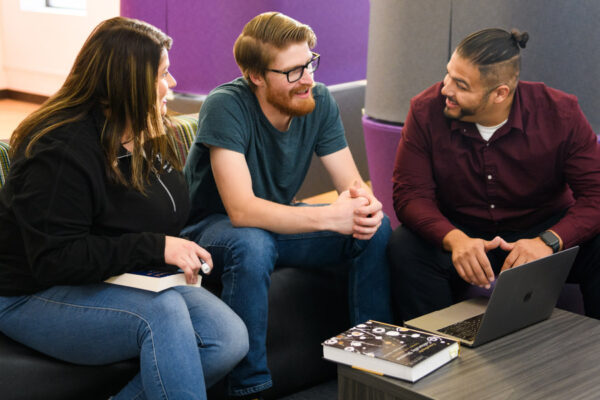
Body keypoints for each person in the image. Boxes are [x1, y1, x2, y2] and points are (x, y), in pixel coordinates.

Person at [0, 17, 248, 400]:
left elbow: (165, 211)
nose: (173, 83)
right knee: (162, 314)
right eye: (163, 74)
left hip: (111, 275)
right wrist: (155, 247)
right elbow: (55, 259)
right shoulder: (59, 150)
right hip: (29, 292)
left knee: (227, 338)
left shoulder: (139, 130)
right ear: (127, 83)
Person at [182, 11, 392, 399]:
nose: (308, 79)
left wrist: (365, 206)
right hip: (213, 229)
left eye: (310, 63)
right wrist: (331, 216)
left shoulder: (319, 99)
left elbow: (351, 185)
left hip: (274, 223)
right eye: (293, 71)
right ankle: (250, 387)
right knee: (252, 242)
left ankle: (372, 365)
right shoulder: (225, 105)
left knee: (374, 227)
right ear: (256, 76)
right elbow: (242, 210)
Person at [388, 28, 600, 322]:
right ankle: (433, 352)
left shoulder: (560, 113)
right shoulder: (425, 111)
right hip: (462, 233)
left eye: (461, 85)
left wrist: (549, 241)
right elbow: (410, 195)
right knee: (405, 247)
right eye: (448, 74)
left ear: (500, 93)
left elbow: (596, 195)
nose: (446, 89)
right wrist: (454, 239)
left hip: (542, 232)